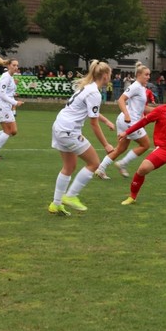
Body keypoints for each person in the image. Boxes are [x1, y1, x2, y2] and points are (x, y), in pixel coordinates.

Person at [48, 60, 115, 216]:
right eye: (109, 75)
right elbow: (93, 124)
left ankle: (55, 204)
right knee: (94, 163)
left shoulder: (87, 87)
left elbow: (92, 112)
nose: (110, 78)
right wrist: (106, 144)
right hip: (69, 130)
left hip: (59, 126)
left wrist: (105, 121)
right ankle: (71, 196)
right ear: (105, 76)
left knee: (69, 166)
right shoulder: (94, 93)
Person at [94, 62, 154, 180]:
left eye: (149, 75)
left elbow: (144, 108)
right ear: (138, 75)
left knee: (121, 148)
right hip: (130, 121)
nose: (148, 77)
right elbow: (121, 99)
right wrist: (127, 115)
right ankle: (123, 163)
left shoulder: (141, 88)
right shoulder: (136, 86)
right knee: (145, 145)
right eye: (146, 75)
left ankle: (101, 169)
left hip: (125, 120)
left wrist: (161, 111)